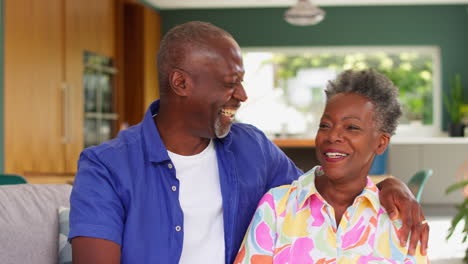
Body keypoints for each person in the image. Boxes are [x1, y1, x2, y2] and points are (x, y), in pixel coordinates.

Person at [69, 22, 428, 264]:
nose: (241, 95)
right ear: (181, 83)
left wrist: (389, 186)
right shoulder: (106, 166)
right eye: (230, 83)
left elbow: (316, 190)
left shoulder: (250, 147)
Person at [234, 69, 428, 264]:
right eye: (325, 125)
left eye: (351, 127)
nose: (332, 136)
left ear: (381, 143)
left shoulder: (400, 220)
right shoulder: (276, 207)